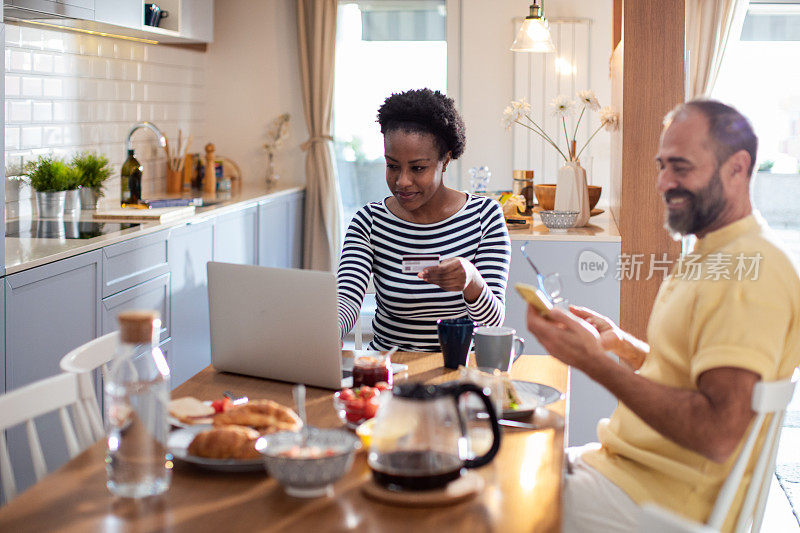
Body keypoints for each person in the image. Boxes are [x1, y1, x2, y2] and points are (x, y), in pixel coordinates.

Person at [526, 100, 800, 532]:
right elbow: (694, 372)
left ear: (737, 168)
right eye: (662, 166)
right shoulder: (715, 254)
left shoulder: (751, 270)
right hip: (625, 473)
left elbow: (717, 431)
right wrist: (621, 344)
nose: (662, 183)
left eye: (681, 167)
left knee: (488, 496)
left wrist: (594, 363)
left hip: (663, 507)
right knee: (511, 453)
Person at [337, 88, 511, 351]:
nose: (402, 181)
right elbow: (346, 300)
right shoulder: (369, 221)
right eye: (392, 166)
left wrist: (472, 281)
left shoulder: (484, 216)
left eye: (418, 168)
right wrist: (326, 330)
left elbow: (493, 324)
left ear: (445, 160)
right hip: (388, 370)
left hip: (458, 368)